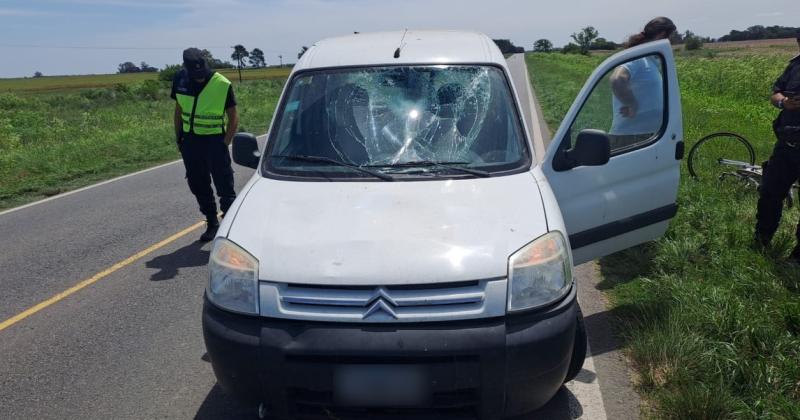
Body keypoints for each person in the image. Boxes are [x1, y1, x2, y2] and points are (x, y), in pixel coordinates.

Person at [171, 48, 239, 242]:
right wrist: (179, 139)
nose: (200, 78)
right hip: (190, 142)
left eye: (202, 74)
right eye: (196, 75)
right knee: (198, 184)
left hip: (215, 141)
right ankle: (212, 222)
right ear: (186, 68)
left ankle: (231, 225)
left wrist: (225, 143)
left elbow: (233, 116)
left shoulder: (221, 83)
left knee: (224, 185)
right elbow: (178, 110)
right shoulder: (180, 79)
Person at [754, 30, 800, 261]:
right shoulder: (795, 66)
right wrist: (784, 103)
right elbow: (776, 93)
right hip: (788, 144)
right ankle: (761, 240)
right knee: (770, 193)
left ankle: (798, 257)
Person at [609, 17, 677, 150]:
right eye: (671, 38)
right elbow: (617, 80)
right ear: (662, 35)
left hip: (647, 137)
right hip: (631, 138)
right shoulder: (638, 58)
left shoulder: (649, 60)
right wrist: (632, 104)